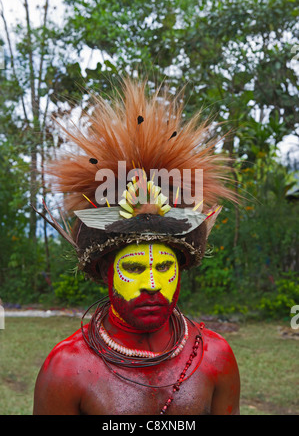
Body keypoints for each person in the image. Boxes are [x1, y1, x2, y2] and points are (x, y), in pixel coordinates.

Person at [33, 79, 240, 415]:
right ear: (105, 271)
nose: (152, 284)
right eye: (133, 268)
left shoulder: (216, 358)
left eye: (163, 267)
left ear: (181, 266)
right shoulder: (66, 369)